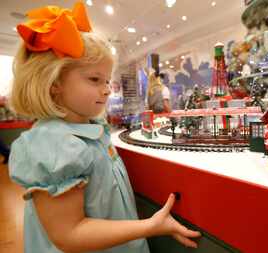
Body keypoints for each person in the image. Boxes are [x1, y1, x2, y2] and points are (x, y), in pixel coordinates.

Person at [8, 2, 200, 253]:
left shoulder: (90, 129)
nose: (108, 89)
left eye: (107, 80)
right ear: (53, 83)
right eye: (94, 79)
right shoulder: (53, 145)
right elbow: (69, 233)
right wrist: (149, 227)